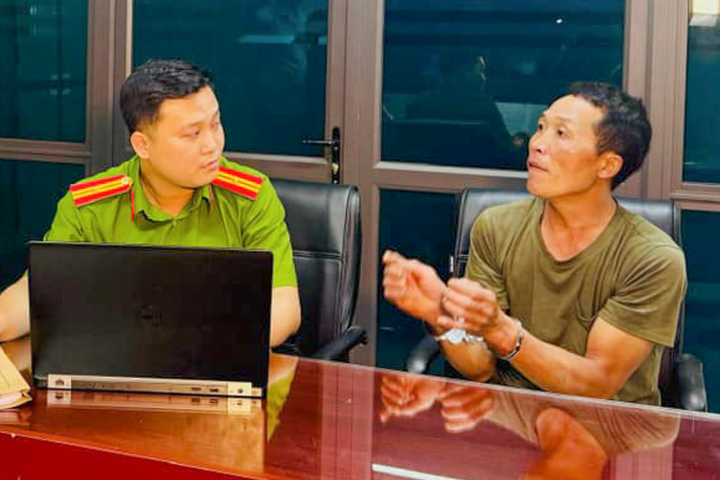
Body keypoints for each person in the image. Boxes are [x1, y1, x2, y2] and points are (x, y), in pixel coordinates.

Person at [383, 82, 686, 405]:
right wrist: (440, 316)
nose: (537, 143)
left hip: (608, 426)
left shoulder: (652, 258)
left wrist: (502, 331)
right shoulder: (496, 227)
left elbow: (597, 385)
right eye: (541, 127)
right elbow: (480, 369)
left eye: (561, 134)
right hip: (510, 418)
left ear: (607, 165)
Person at [0, 59, 301, 347]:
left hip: (225, 362)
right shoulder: (90, 205)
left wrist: (192, 342)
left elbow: (285, 308)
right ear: (142, 145)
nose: (212, 145)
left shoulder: (249, 196)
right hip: (118, 363)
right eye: (193, 134)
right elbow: (38, 292)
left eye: (215, 124)